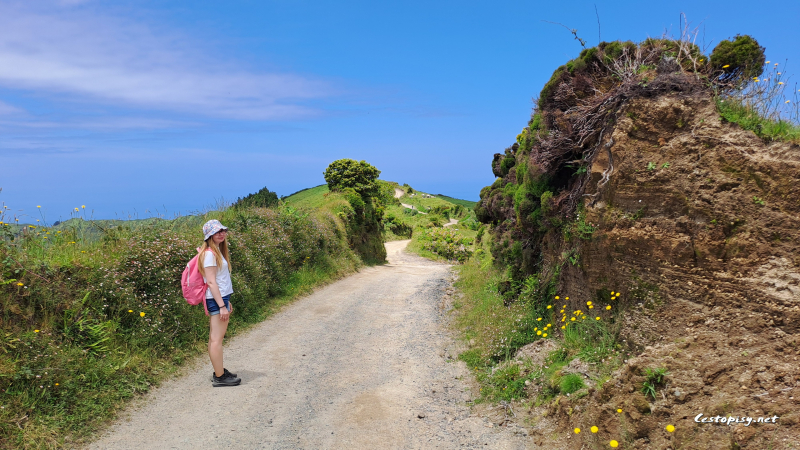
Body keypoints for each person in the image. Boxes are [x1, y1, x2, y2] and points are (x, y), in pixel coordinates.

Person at [198, 219, 241, 387]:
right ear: (209, 236)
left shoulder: (216, 252)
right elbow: (211, 282)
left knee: (214, 338)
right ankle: (220, 377)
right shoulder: (210, 254)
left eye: (223, 230)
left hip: (221, 298)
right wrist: (222, 306)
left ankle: (219, 371)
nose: (221, 233)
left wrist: (226, 301)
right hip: (217, 300)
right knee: (216, 339)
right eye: (217, 232)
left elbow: (220, 281)